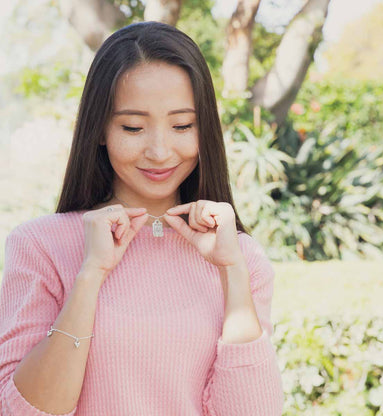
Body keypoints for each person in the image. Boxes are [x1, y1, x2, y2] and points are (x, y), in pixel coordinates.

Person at [0, 21, 284, 416]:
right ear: (100, 129)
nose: (160, 151)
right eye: (133, 127)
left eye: (182, 125)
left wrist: (231, 269)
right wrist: (91, 274)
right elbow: (24, 410)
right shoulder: (39, 246)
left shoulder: (241, 257)